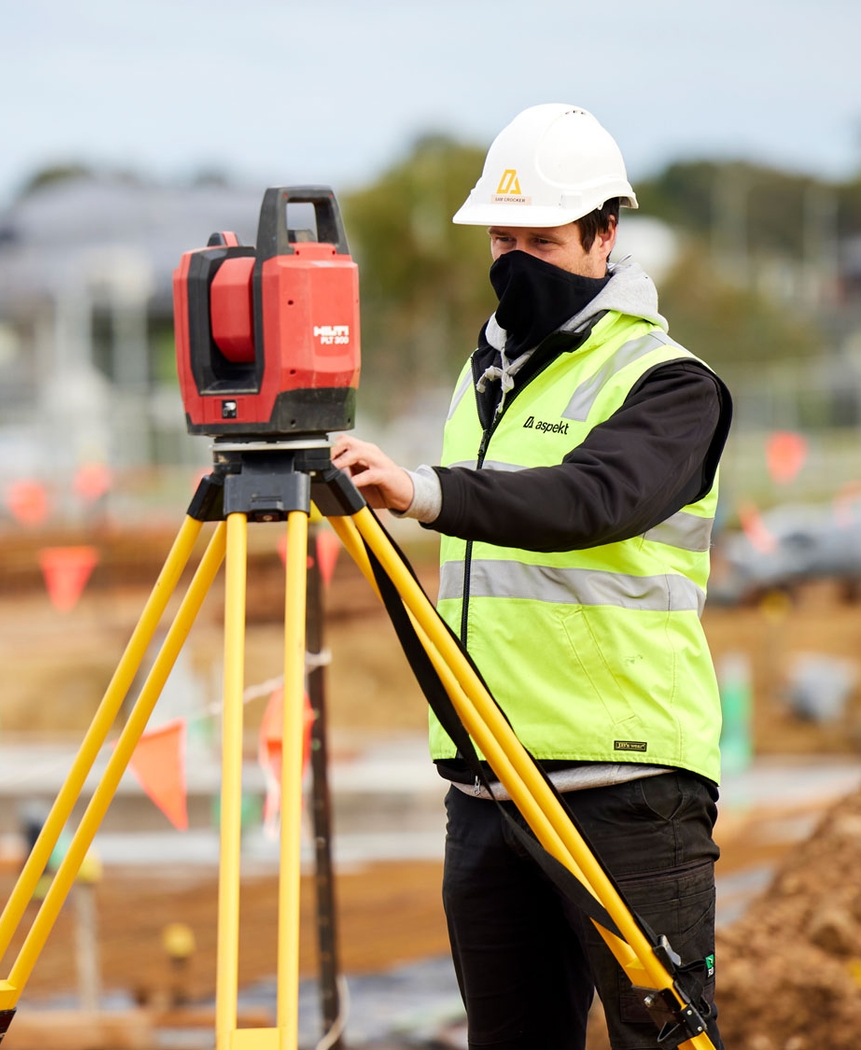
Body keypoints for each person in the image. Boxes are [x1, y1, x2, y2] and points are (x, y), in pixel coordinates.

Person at [332, 103, 732, 1049]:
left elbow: (589, 499)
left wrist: (424, 491)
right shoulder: (485, 380)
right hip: (488, 788)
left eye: (543, 240)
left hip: (627, 786)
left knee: (662, 1039)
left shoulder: (670, 384)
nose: (516, 261)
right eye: (502, 239)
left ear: (606, 233)